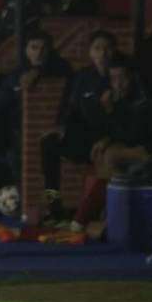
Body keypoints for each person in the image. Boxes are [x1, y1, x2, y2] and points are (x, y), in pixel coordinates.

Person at [0, 28, 72, 217]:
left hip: (36, 135)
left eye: (44, 48)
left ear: (50, 50)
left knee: (16, 153)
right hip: (8, 130)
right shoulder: (15, 75)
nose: (39, 52)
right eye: (34, 48)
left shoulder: (60, 69)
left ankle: (27, 205)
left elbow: (65, 71)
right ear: (26, 50)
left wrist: (39, 71)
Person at [40, 29, 119, 224]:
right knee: (49, 144)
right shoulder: (81, 77)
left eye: (107, 49)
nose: (102, 54)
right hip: (84, 138)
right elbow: (68, 110)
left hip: (112, 139)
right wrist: (61, 127)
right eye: (97, 49)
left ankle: (97, 214)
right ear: (90, 52)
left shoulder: (121, 76)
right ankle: (54, 205)